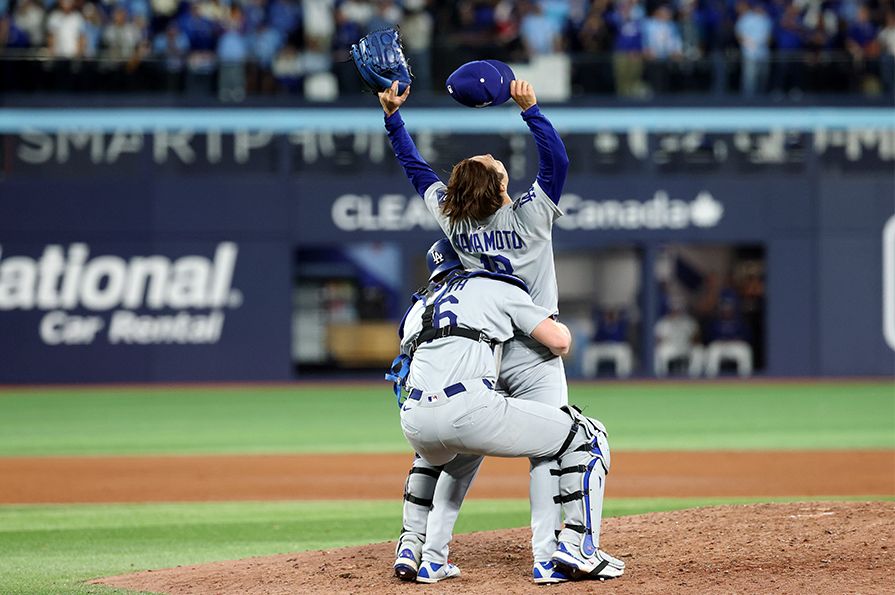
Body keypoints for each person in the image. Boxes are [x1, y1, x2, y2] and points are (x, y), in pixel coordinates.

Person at [379, 76, 620, 583]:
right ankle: (548, 554)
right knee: (553, 447)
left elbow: (415, 169)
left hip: (484, 348)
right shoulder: (532, 216)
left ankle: (430, 551)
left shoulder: (453, 221)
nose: (489, 155)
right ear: (503, 187)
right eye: (492, 164)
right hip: (533, 343)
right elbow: (557, 163)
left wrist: (393, 118)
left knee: (461, 459)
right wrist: (529, 109)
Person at [393, 239, 624, 583]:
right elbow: (558, 341)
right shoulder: (490, 286)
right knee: (585, 434)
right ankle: (576, 548)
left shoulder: (416, 309)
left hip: (414, 419)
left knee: (445, 457)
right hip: (470, 408)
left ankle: (419, 552)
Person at [654, 295, 703, 377]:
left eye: (678, 309)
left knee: (698, 350)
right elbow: (657, 340)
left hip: (686, 347)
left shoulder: (689, 321)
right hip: (671, 348)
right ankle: (660, 378)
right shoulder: (664, 322)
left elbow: (697, 337)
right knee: (659, 351)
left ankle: (694, 379)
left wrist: (692, 340)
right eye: (674, 309)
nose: (676, 311)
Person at [582, 307, 633, 378]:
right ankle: (589, 377)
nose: (610, 317)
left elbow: (623, 338)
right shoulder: (601, 324)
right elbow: (595, 339)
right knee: (589, 352)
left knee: (625, 351)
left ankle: (623, 377)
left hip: (616, 348)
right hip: (602, 347)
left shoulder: (620, 325)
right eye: (608, 315)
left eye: (612, 315)